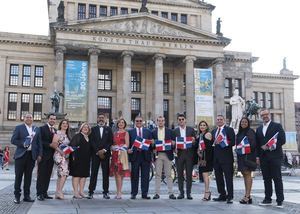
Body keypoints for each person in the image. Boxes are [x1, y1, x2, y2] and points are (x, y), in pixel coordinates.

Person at [256, 109, 285, 208]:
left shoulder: (277, 126)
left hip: (275, 157)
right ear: (261, 116)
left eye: (266, 114)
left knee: (277, 179)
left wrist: (269, 146)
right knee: (266, 179)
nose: (265, 116)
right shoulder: (259, 129)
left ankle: (280, 200)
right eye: (262, 115)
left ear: (269, 115)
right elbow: (257, 144)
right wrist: (257, 157)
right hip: (263, 158)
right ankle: (267, 199)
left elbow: (282, 140)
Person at [11, 113, 42, 204]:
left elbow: (39, 143)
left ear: (33, 119)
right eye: (27, 117)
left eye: (30, 117)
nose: (29, 118)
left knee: (28, 177)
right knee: (18, 177)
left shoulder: (36, 129)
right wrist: (23, 143)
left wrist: (39, 154)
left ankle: (27, 196)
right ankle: (17, 196)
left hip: (31, 156)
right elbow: (13, 140)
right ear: (24, 119)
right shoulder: (19, 128)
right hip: (20, 156)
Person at [88, 113, 113, 199]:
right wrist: (98, 151)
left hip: (105, 155)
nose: (101, 119)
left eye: (103, 118)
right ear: (97, 119)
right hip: (95, 154)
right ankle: (91, 192)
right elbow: (91, 141)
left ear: (105, 119)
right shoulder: (93, 129)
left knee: (105, 174)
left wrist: (104, 150)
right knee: (93, 173)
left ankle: (105, 192)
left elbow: (110, 141)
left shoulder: (109, 129)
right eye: (99, 118)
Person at [211, 115, 235, 204]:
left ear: (224, 120)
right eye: (218, 119)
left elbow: (233, 142)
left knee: (228, 178)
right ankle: (222, 195)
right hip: (216, 159)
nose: (219, 121)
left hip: (227, 158)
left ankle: (230, 196)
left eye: (221, 119)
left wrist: (223, 142)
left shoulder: (229, 130)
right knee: (218, 178)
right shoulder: (214, 131)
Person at [128, 116, 153, 199]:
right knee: (134, 176)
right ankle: (134, 193)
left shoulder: (148, 132)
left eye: (140, 121)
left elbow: (151, 146)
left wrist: (152, 143)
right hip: (135, 156)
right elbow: (128, 145)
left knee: (145, 176)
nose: (138, 122)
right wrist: (128, 150)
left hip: (145, 156)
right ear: (134, 122)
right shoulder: (130, 132)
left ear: (143, 122)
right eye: (137, 121)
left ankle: (144, 193)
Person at [152, 116, 176, 200]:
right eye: (159, 121)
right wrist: (153, 145)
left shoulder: (170, 131)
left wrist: (173, 143)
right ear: (157, 122)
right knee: (158, 174)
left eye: (162, 121)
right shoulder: (154, 132)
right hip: (158, 155)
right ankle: (156, 193)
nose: (161, 122)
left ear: (164, 121)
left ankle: (171, 193)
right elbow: (152, 145)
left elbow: (174, 143)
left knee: (169, 175)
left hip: (167, 154)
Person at [173, 113, 196, 200]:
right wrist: (174, 146)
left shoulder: (191, 130)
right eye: (179, 119)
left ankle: (188, 193)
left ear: (185, 120)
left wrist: (194, 141)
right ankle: (181, 193)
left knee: (189, 174)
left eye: (182, 119)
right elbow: (173, 143)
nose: (181, 121)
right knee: (180, 175)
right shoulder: (175, 131)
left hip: (189, 154)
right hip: (179, 155)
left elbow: (195, 143)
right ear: (178, 121)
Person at [236, 117, 256, 204]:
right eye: (242, 122)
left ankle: (247, 196)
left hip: (248, 156)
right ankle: (248, 196)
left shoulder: (250, 131)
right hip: (241, 156)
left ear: (248, 123)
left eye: (245, 122)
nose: (243, 123)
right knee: (244, 174)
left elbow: (253, 144)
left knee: (247, 174)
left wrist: (243, 148)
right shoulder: (240, 132)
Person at [36, 113, 57, 201]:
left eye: (54, 119)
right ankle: (39, 193)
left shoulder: (55, 130)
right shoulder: (41, 129)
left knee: (48, 175)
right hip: (43, 155)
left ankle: (45, 192)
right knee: (41, 175)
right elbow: (39, 142)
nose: (52, 120)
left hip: (51, 156)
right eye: (51, 118)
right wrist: (49, 144)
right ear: (48, 119)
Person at [69, 122, 92, 199]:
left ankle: (81, 191)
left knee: (84, 175)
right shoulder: (77, 136)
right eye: (84, 127)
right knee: (77, 175)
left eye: (87, 127)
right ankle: (75, 192)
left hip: (86, 159)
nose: (85, 128)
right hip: (77, 159)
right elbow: (72, 146)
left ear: (89, 129)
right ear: (81, 128)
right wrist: (74, 157)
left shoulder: (88, 137)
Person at [109, 118, 130, 199]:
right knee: (116, 173)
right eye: (119, 123)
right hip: (115, 154)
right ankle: (117, 191)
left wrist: (120, 147)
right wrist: (113, 147)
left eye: (122, 123)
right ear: (117, 124)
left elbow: (127, 144)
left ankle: (120, 192)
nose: (121, 124)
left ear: (124, 124)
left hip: (122, 154)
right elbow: (112, 144)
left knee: (121, 173)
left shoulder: (126, 133)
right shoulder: (114, 133)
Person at [53, 119, 71, 200]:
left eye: (66, 124)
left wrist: (68, 151)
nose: (65, 125)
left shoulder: (67, 135)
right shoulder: (57, 133)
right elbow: (54, 144)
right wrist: (61, 152)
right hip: (58, 155)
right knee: (64, 173)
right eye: (63, 123)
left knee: (60, 174)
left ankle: (57, 192)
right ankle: (60, 192)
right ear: (60, 125)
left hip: (65, 156)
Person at [196, 120, 214, 201]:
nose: (202, 126)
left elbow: (210, 148)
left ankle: (207, 192)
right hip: (201, 158)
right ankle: (207, 192)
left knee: (205, 175)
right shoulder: (200, 135)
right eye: (201, 125)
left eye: (204, 125)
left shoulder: (207, 134)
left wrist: (203, 156)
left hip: (206, 159)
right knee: (204, 176)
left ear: (206, 127)